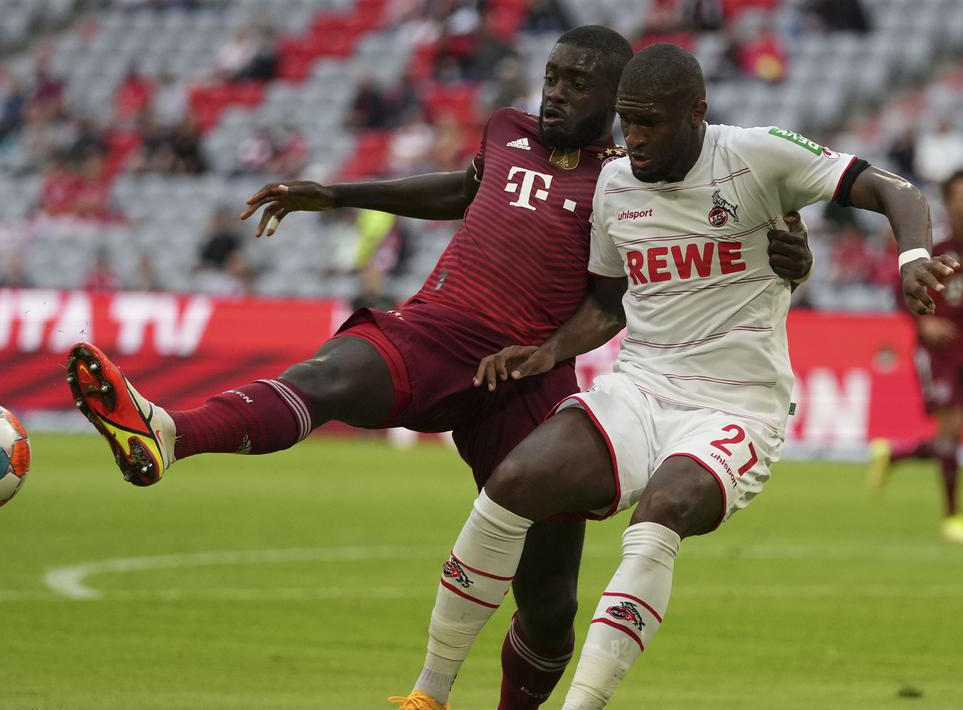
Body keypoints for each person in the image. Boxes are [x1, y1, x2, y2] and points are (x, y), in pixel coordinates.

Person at [64, 27, 812, 710]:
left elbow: (646, 283)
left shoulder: (629, 178)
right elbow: (461, 187)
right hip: (436, 330)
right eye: (552, 75)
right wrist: (333, 194)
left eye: (578, 83)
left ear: (617, 104)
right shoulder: (507, 131)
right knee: (325, 378)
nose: (554, 91)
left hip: (526, 380)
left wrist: (791, 256)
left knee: (549, 605)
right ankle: (169, 433)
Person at [398, 42, 954, 709]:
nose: (630, 138)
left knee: (661, 510)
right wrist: (548, 350)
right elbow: (605, 305)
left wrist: (912, 255)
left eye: (648, 122)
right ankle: (427, 695)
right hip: (639, 387)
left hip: (736, 406)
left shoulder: (757, 153)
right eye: (625, 120)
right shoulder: (615, 185)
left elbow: (892, 189)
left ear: (696, 113)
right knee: (512, 482)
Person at [868, 168, 963, 544]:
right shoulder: (931, 243)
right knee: (949, 433)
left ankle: (894, 455)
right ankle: (953, 516)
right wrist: (921, 324)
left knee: (952, 438)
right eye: (958, 197)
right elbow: (900, 290)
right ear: (948, 202)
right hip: (935, 351)